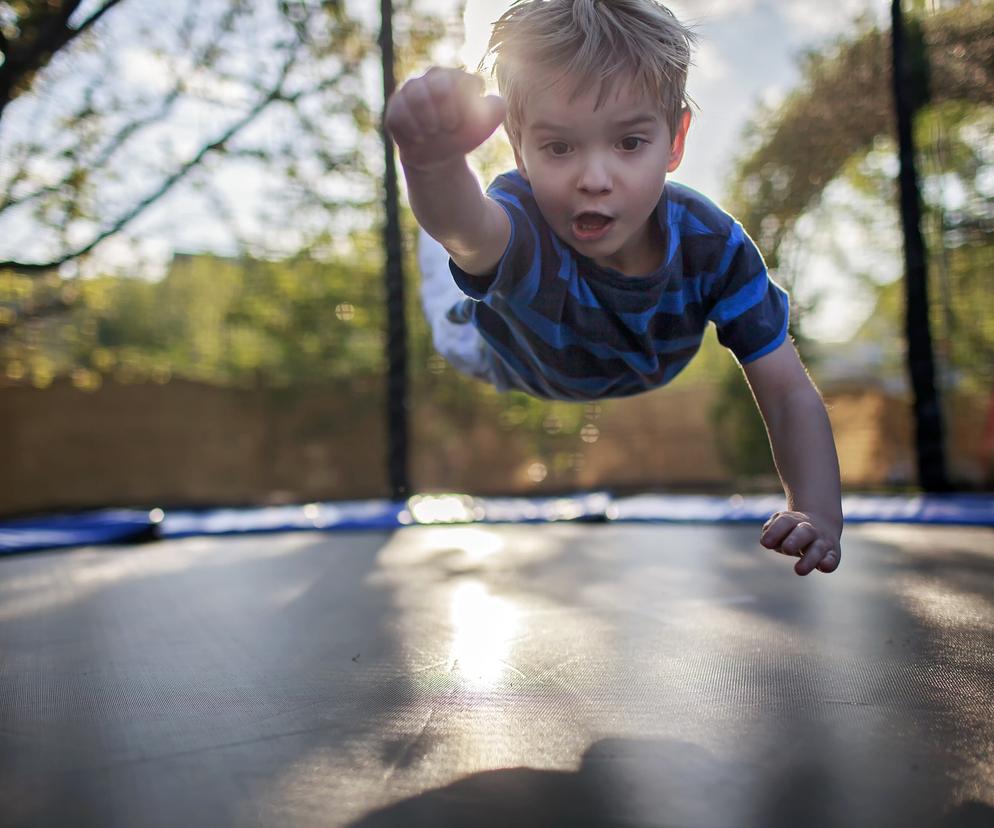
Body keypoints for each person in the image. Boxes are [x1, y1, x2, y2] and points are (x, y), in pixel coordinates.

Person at [385, 0, 843, 576]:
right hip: (493, 348)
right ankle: (443, 207)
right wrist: (429, 164)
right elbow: (471, 232)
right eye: (559, 148)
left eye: (629, 143)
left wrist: (818, 513)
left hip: (618, 358)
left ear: (675, 140)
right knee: (453, 238)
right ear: (519, 147)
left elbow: (787, 392)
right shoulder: (522, 223)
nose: (595, 180)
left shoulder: (715, 247)